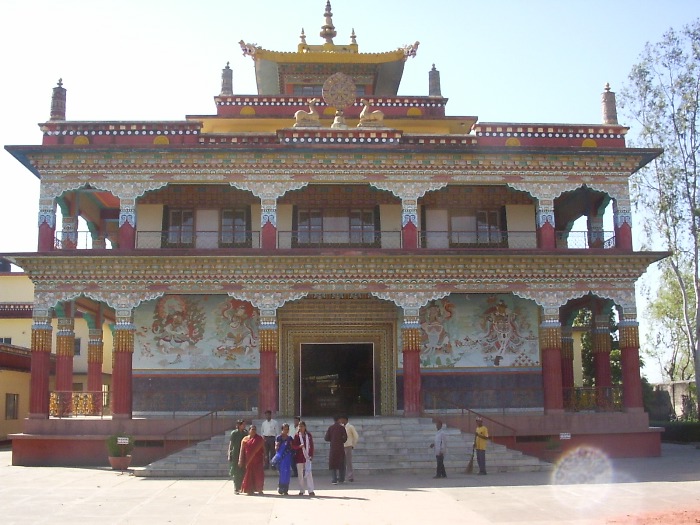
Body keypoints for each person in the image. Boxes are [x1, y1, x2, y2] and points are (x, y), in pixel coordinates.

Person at [238, 424, 265, 495]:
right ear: (249, 430)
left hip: (258, 461)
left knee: (259, 475)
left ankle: (259, 489)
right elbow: (242, 450)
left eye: (255, 430)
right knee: (249, 476)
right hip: (249, 461)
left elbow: (263, 449)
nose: (253, 431)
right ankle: (249, 490)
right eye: (252, 429)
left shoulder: (259, 439)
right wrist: (240, 460)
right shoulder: (245, 439)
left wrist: (265, 457)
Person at [291, 420, 315, 496]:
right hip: (299, 457)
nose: (300, 428)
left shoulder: (309, 435)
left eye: (302, 426)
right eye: (299, 426)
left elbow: (311, 446)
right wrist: (299, 447)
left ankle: (311, 490)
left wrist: (311, 455)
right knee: (300, 474)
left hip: (307, 457)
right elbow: (293, 446)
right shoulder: (297, 436)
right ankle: (301, 490)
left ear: (305, 427)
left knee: (309, 473)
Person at [272, 423, 294, 495]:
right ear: (282, 429)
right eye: (284, 429)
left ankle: (286, 489)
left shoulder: (290, 438)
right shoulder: (279, 437)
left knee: (287, 472)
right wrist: (277, 447)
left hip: (287, 457)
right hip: (280, 458)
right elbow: (276, 447)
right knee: (282, 473)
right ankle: (280, 488)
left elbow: (291, 447)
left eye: (287, 429)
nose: (286, 430)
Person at [324, 415, 347, 484]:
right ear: (339, 420)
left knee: (333, 464)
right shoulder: (342, 428)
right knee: (341, 463)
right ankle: (341, 479)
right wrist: (341, 440)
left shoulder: (331, 428)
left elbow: (326, 438)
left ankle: (334, 479)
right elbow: (345, 438)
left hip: (333, 448)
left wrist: (332, 439)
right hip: (340, 448)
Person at [227, 419, 247, 494]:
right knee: (236, 471)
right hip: (235, 453)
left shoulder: (245, 433)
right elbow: (231, 443)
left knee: (242, 471)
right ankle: (236, 488)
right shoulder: (234, 433)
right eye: (243, 425)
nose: (244, 426)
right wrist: (229, 453)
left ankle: (242, 487)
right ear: (239, 425)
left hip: (243, 453)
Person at [341, 415, 359, 482]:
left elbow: (356, 436)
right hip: (342, 446)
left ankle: (350, 476)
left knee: (348, 462)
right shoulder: (341, 427)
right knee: (342, 462)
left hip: (348, 446)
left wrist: (353, 444)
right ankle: (342, 476)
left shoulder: (350, 427)